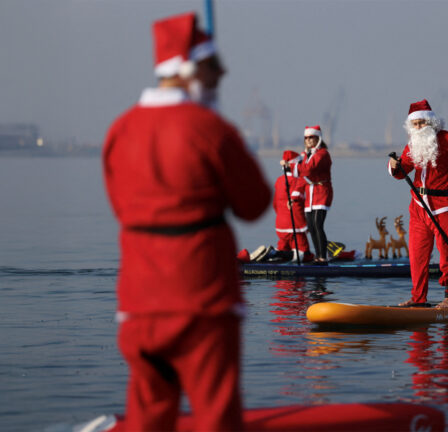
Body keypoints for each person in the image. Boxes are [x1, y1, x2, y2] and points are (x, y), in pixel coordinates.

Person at [102, 12, 271, 431]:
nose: (222, 74)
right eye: (214, 66)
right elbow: (254, 205)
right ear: (190, 70)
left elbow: (121, 208)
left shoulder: (119, 131)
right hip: (202, 302)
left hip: (139, 306)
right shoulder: (210, 130)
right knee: (216, 415)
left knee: (148, 414)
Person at [388, 99, 448, 309]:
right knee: (417, 255)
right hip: (418, 207)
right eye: (415, 124)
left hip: (442, 206)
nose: (419, 128)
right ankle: (418, 299)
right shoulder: (413, 144)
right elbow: (403, 172)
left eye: (422, 123)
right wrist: (394, 166)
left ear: (431, 122)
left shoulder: (447, 139)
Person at [283, 125, 333, 265]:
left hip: (322, 192)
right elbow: (302, 179)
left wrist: (290, 166)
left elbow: (309, 170)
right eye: (306, 138)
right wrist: (293, 197)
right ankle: (317, 257)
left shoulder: (323, 154)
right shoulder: (305, 155)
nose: (309, 140)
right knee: (311, 227)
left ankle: (323, 257)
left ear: (318, 138)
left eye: (312, 137)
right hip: (310, 194)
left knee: (318, 224)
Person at [273, 150, 311, 262]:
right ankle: (287, 255)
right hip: (296, 227)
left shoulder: (278, 181)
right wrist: (306, 225)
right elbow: (297, 206)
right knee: (305, 255)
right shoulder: (300, 181)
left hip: (280, 226)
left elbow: (275, 204)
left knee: (283, 248)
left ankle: (275, 254)